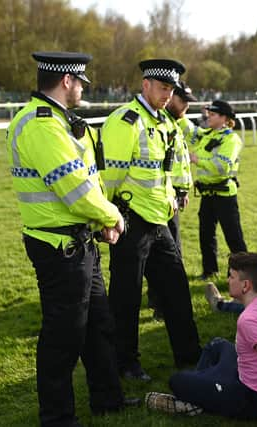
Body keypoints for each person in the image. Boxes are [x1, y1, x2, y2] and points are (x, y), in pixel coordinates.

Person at [6, 51, 139, 426]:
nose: (82, 88)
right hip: (59, 247)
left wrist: (99, 224)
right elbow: (75, 188)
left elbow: (86, 181)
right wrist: (112, 217)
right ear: (66, 80)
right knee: (63, 337)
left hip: (78, 240)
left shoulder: (56, 121)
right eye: (80, 81)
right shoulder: (42, 125)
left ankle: (108, 400)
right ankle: (57, 417)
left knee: (99, 325)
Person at [101, 58, 201, 382]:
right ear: (145, 85)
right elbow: (109, 176)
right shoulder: (126, 121)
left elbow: (165, 171)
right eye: (162, 88)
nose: (167, 95)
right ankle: (125, 363)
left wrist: (173, 195)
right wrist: (108, 216)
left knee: (176, 289)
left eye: (171, 90)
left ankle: (190, 357)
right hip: (130, 221)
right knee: (126, 298)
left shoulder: (167, 124)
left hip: (159, 221)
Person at [145, 252, 257, 418]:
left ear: (246, 285)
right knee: (217, 344)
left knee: (177, 380)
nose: (228, 280)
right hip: (254, 377)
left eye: (231, 276)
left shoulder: (250, 320)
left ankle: (198, 399)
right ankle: (205, 387)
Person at [147, 80, 196, 320]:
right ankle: (159, 303)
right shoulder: (159, 121)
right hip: (157, 198)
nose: (186, 106)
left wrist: (183, 189)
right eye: (182, 101)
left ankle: (159, 301)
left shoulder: (176, 122)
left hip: (172, 196)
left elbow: (181, 160)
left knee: (171, 250)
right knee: (165, 254)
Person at [190, 100, 247, 280]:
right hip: (207, 193)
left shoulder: (231, 139)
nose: (209, 117)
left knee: (234, 238)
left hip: (224, 195)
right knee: (205, 235)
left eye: (213, 115)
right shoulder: (206, 134)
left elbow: (222, 166)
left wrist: (197, 160)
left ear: (224, 118)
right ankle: (209, 271)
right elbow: (187, 129)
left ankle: (243, 274)